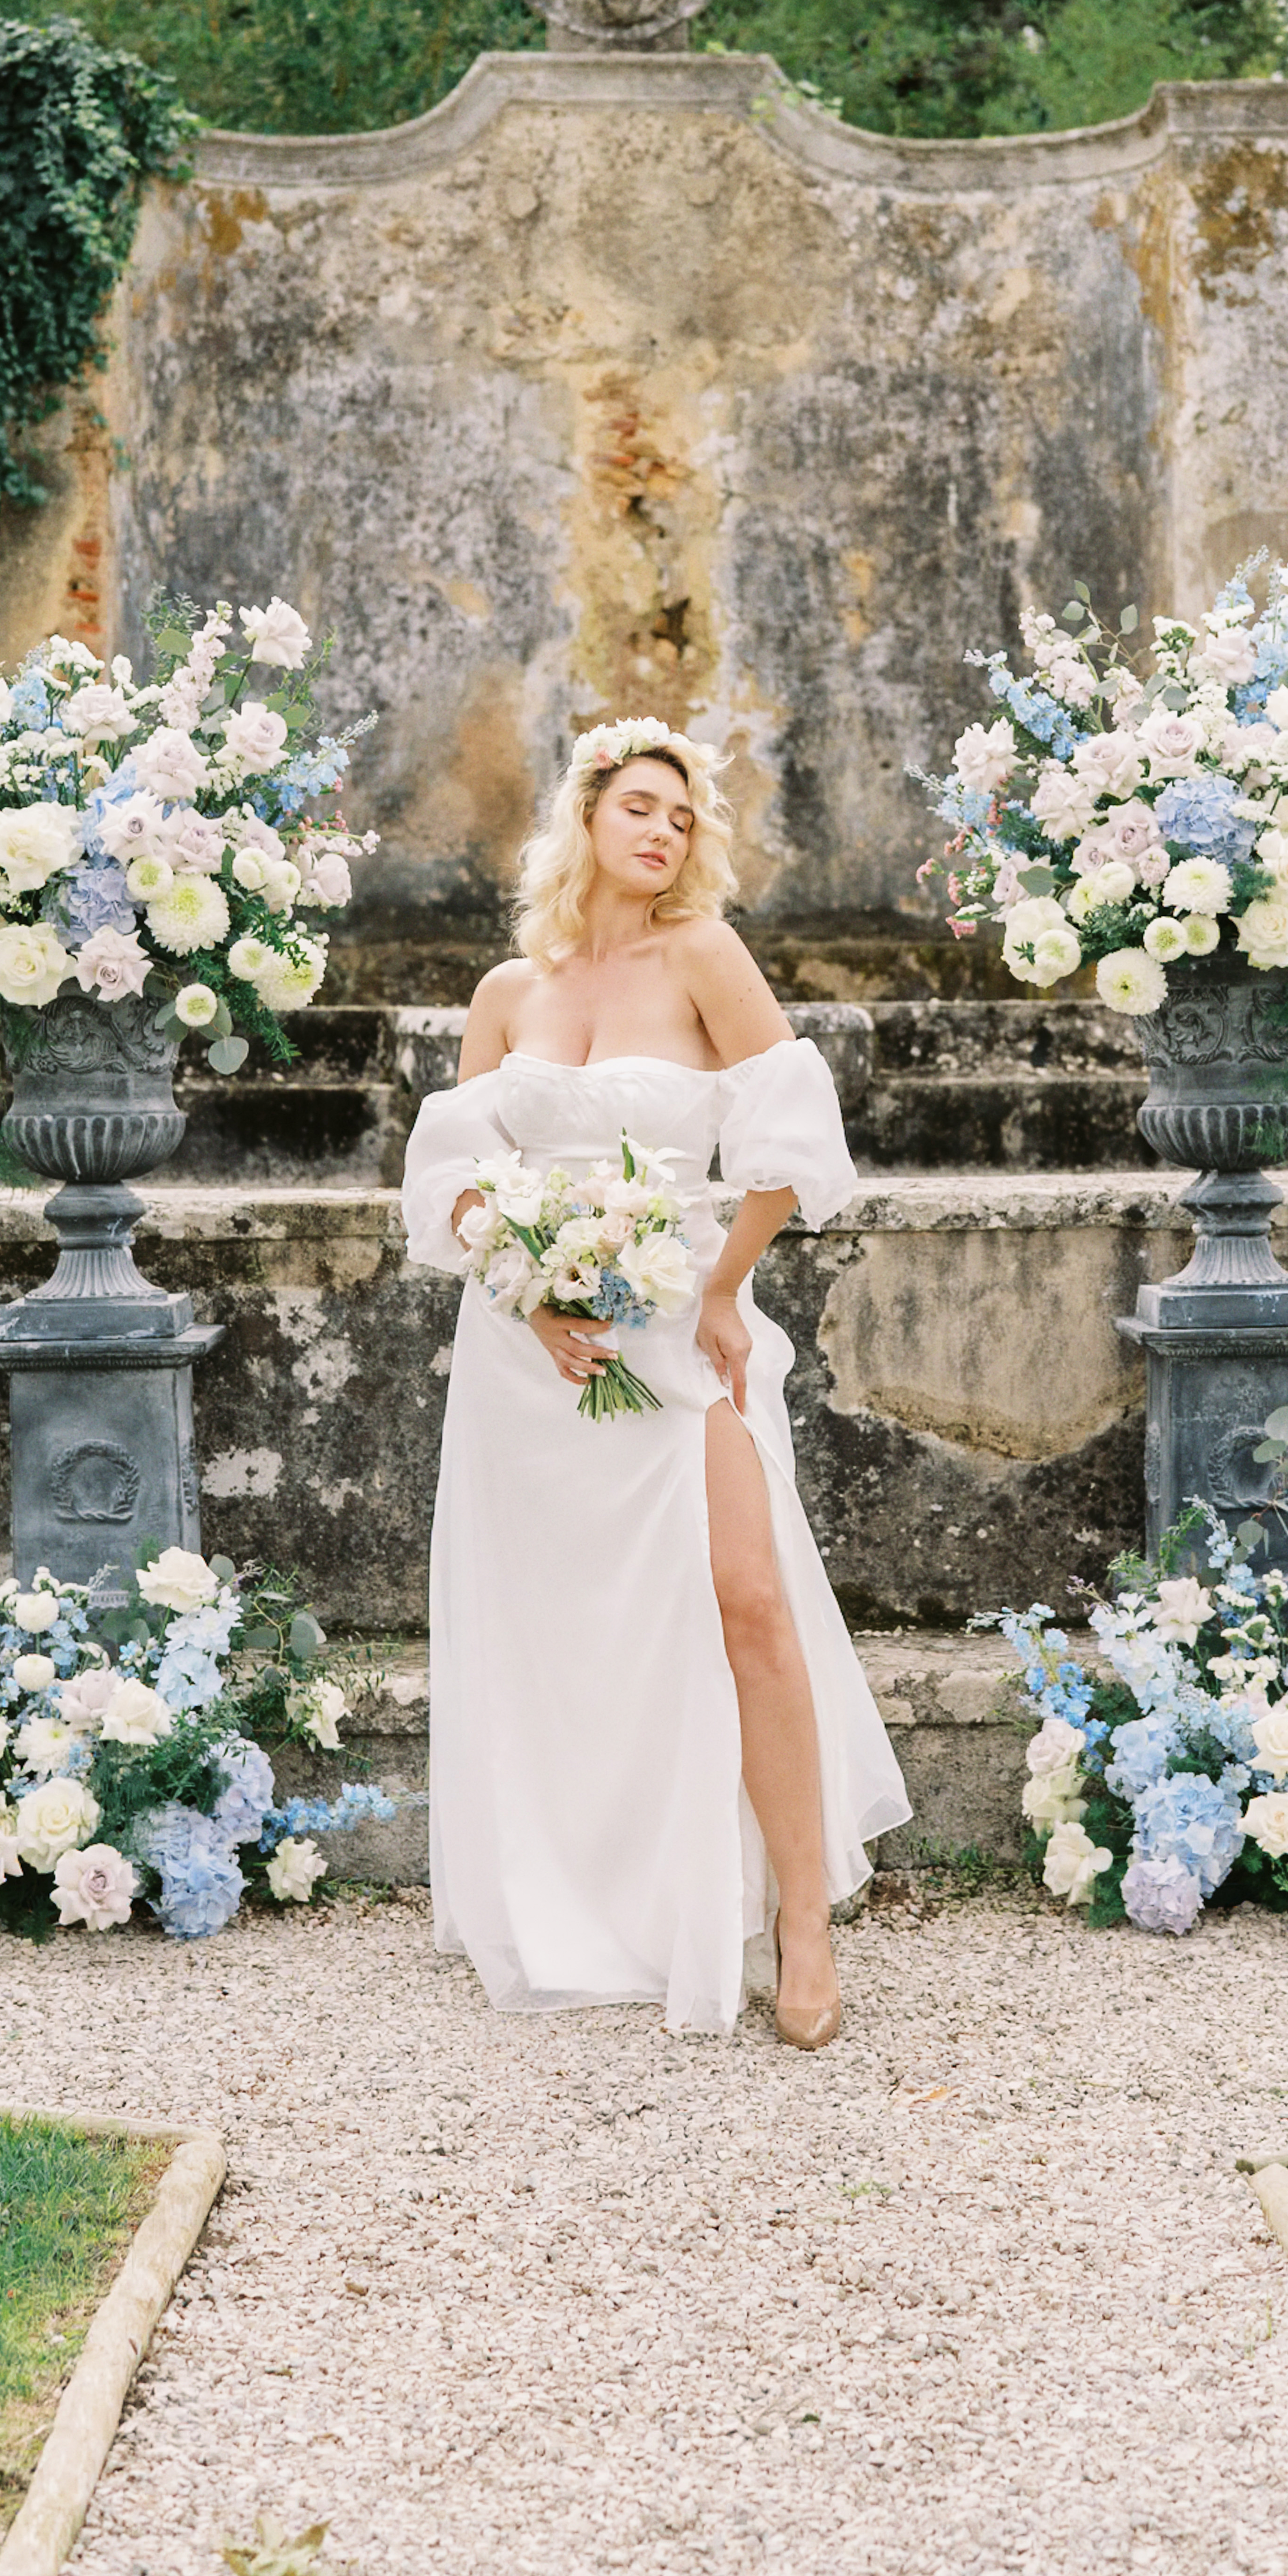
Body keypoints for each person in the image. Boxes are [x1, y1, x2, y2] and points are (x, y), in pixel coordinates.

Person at [400, 717, 911, 2041]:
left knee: (747, 1600)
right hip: (533, 1362)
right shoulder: (512, 992)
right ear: (584, 820)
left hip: (685, 1329)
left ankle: (802, 1920)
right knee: (562, 1636)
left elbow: (790, 1141)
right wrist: (529, 1291)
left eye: (681, 818)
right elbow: (454, 1182)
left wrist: (728, 1284)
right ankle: (593, 1901)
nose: (661, 832)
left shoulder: (705, 955)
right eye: (638, 807)